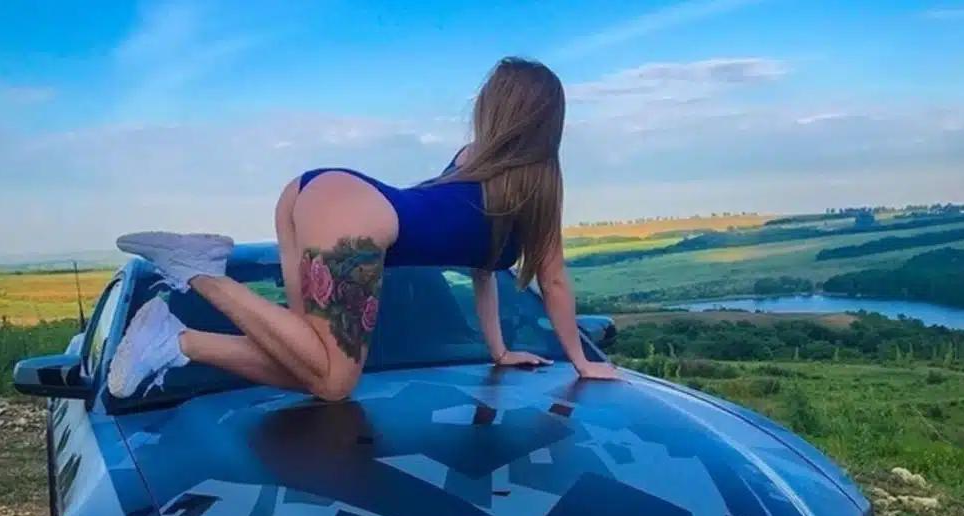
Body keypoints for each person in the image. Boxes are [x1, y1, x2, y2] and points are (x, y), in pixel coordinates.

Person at [107, 56, 619, 400]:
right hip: (350, 213)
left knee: (307, 362)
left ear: (496, 112)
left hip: (314, 193)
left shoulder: (474, 163)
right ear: (548, 122)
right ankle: (200, 278)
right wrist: (580, 362)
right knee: (335, 383)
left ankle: (177, 340)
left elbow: (482, 272)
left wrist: (499, 351)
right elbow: (554, 280)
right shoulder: (537, 186)